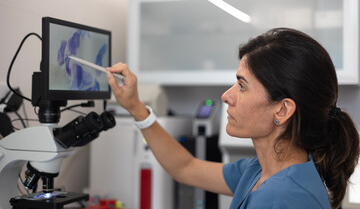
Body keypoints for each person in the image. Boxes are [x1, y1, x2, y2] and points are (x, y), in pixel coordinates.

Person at [106, 28, 360, 209]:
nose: (226, 96)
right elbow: (186, 168)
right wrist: (137, 108)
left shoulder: (283, 198)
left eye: (242, 86)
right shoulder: (261, 170)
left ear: (282, 110)